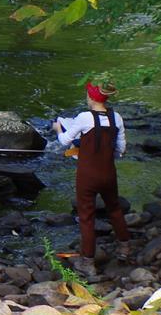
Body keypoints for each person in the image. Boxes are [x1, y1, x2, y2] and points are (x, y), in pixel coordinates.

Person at [54, 80, 132, 260]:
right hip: (108, 174)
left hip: (87, 176)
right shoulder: (117, 117)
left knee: (87, 216)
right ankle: (125, 248)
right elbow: (121, 149)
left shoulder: (84, 117)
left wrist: (58, 129)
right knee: (114, 209)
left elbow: (65, 141)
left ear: (91, 98)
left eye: (88, 93)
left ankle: (88, 261)